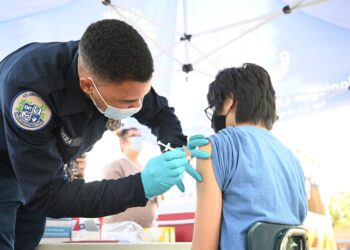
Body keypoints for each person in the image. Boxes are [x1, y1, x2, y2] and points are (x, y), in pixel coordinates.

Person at [0, 19, 209, 250]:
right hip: (5, 167)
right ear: (88, 86)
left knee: (27, 239)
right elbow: (48, 195)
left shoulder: (115, 69)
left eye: (143, 95)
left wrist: (174, 148)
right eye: (128, 102)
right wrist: (141, 186)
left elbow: (160, 115)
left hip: (44, 169)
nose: (138, 106)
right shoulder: (30, 93)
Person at [191, 63, 307, 250]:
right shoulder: (293, 160)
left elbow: (204, 247)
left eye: (214, 106)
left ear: (229, 100)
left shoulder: (215, 147)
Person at [102, 127, 162, 228]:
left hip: (146, 231)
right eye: (133, 136)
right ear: (123, 142)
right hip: (120, 231)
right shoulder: (115, 166)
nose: (138, 139)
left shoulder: (146, 169)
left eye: (140, 136)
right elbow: (110, 196)